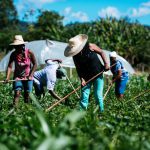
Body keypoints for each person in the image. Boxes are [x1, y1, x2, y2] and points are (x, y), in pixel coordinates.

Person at [64, 34, 109, 112]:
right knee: (84, 96)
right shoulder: (75, 56)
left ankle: (101, 113)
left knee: (98, 95)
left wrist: (106, 64)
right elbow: (78, 68)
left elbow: (101, 52)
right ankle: (81, 113)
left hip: (98, 73)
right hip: (86, 77)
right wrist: (82, 79)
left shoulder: (90, 46)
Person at [5, 35, 37, 106]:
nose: (15, 48)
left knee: (27, 94)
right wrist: (7, 77)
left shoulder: (29, 53)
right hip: (18, 77)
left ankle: (26, 110)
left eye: (17, 46)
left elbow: (35, 64)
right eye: (15, 46)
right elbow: (10, 66)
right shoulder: (13, 54)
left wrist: (30, 75)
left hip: (28, 77)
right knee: (17, 93)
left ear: (22, 45)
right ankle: (14, 110)